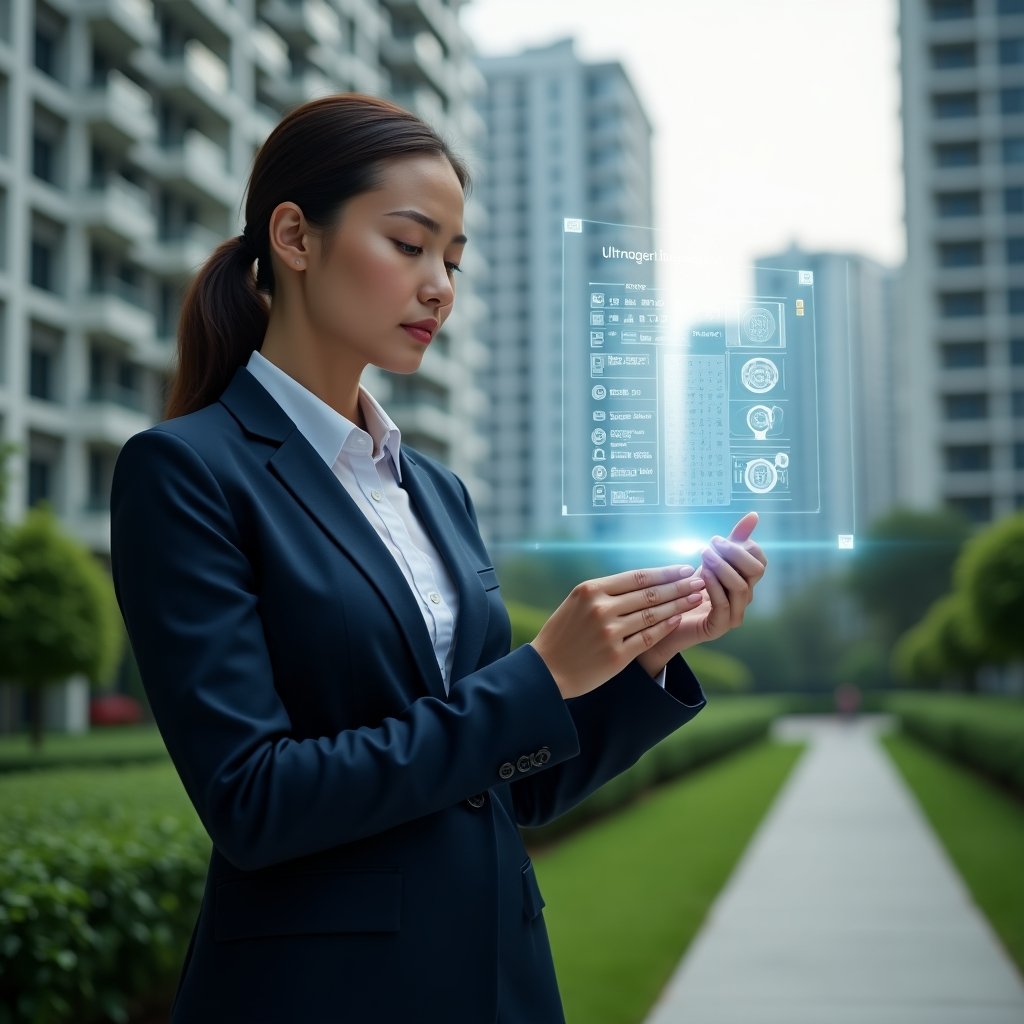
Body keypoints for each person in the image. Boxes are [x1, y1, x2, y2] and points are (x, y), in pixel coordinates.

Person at [109, 94, 767, 1024]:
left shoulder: (437, 492)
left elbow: (507, 785)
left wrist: (644, 660)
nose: (440, 287)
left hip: (501, 979)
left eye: (453, 260)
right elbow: (255, 800)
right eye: (410, 246)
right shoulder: (185, 472)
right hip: (322, 997)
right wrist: (541, 672)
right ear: (294, 236)